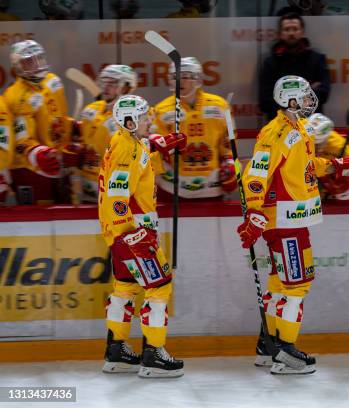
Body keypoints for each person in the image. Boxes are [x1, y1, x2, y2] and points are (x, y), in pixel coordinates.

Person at [238, 75, 349, 375]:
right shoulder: (275, 133)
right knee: (297, 284)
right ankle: (285, 351)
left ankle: (268, 345)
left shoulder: (297, 129)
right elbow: (255, 174)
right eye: (305, 97)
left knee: (279, 282)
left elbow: (305, 167)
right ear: (291, 101)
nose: (311, 101)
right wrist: (254, 213)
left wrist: (337, 165)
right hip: (284, 221)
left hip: (293, 219)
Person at [99, 94, 186, 378]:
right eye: (145, 116)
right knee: (159, 286)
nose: (151, 119)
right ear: (130, 121)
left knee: (125, 287)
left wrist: (160, 143)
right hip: (134, 233)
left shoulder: (125, 142)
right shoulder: (129, 151)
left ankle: (117, 352)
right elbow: (116, 196)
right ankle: (154, 356)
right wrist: (132, 235)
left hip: (122, 234)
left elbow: (141, 150)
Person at [3, 40, 79, 204]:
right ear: (18, 67)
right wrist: (37, 154)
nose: (36, 65)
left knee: (64, 208)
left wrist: (72, 128)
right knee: (38, 214)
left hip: (56, 160)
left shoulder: (52, 81)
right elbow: (21, 140)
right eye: (29, 61)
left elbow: (58, 117)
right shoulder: (15, 96)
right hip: (29, 168)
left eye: (39, 58)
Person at [152, 57, 236, 201]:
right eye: (175, 77)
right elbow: (155, 152)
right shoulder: (161, 110)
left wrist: (229, 163)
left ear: (197, 79)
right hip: (173, 189)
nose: (180, 81)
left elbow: (228, 143)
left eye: (186, 76)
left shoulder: (220, 106)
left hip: (211, 188)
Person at [78, 64, 137, 203]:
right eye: (104, 82)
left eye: (112, 83)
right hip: (87, 191)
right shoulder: (90, 110)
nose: (105, 87)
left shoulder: (135, 115)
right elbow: (84, 145)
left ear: (127, 87)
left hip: (115, 195)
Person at [258, 12, 331, 121]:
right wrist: (309, 90)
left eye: (295, 29)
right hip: (280, 129)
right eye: (287, 29)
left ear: (302, 32)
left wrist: (283, 98)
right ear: (280, 34)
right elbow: (264, 102)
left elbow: (324, 94)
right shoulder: (270, 63)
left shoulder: (317, 59)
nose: (291, 33)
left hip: (311, 127)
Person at [306, 113, 349, 201]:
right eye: (313, 144)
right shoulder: (301, 140)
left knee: (344, 191)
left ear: (327, 137)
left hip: (333, 181)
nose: (315, 147)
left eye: (318, 144)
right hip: (312, 176)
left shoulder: (343, 149)